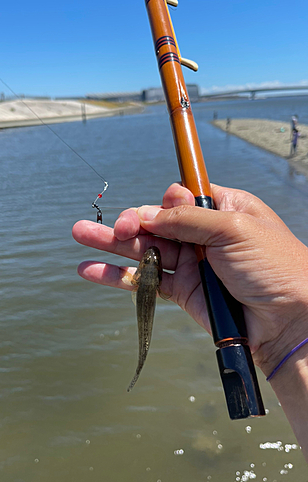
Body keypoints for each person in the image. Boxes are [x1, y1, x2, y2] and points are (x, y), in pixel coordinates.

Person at [72, 182, 308, 461]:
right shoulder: (159, 277)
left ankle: (138, 368)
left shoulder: (148, 277)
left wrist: (293, 327)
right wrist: (293, 329)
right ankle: (138, 366)